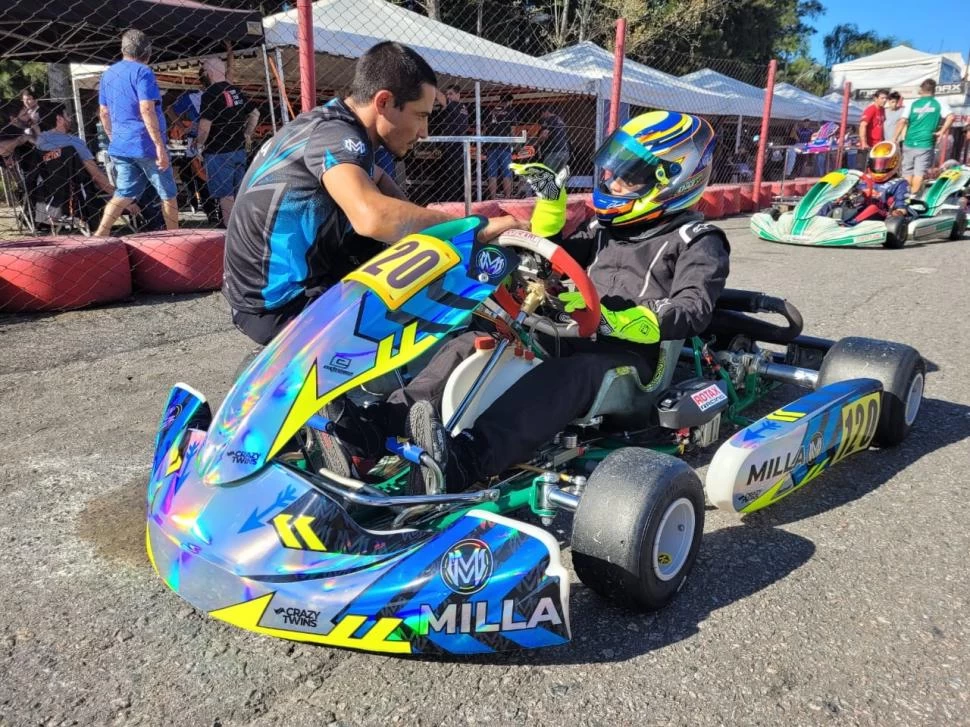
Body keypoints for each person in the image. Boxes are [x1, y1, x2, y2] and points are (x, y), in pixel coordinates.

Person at [223, 41, 524, 475]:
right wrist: (469, 231)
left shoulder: (330, 125)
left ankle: (328, 405)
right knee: (459, 321)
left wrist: (435, 235)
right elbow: (371, 215)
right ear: (384, 102)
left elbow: (382, 185)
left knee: (422, 260)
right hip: (287, 307)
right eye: (420, 115)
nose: (423, 131)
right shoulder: (337, 136)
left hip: (260, 295)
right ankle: (376, 426)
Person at [404, 111, 731, 494]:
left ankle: (466, 460)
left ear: (672, 178)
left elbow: (693, 309)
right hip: (570, 332)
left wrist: (621, 321)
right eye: (612, 170)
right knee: (473, 343)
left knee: (568, 374)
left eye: (628, 174)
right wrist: (550, 208)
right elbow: (555, 259)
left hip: (633, 360)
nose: (611, 180)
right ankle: (380, 424)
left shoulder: (699, 240)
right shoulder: (604, 229)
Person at [94, 28, 179, 236]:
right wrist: (159, 145)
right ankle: (176, 237)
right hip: (145, 143)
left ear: (123, 49)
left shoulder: (108, 74)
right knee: (168, 194)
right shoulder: (144, 72)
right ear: (147, 52)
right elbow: (146, 108)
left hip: (121, 144)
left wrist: (113, 137)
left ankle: (100, 235)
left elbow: (103, 112)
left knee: (124, 192)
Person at [195, 55, 259, 224]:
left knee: (225, 196)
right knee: (239, 194)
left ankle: (230, 233)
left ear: (209, 72)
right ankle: (244, 229)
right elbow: (255, 113)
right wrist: (246, 134)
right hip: (238, 149)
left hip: (218, 152)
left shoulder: (209, 94)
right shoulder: (235, 90)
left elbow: (205, 125)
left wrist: (199, 145)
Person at [35, 101, 115, 197]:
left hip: (49, 197)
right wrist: (120, 198)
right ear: (59, 119)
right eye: (67, 115)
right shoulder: (73, 143)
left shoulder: (39, 142)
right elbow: (97, 176)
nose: (70, 119)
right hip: (77, 197)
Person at [894, 78, 954, 195]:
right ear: (934, 90)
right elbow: (951, 117)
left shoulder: (912, 104)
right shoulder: (939, 103)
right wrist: (942, 131)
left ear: (921, 89)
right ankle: (912, 196)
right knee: (919, 173)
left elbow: (902, 121)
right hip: (925, 143)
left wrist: (894, 138)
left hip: (909, 142)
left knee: (907, 171)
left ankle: (904, 196)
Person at [431, 84, 468, 200]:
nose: (448, 96)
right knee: (453, 176)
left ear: (458, 95)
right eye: (447, 94)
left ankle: (451, 200)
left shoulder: (456, 105)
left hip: (454, 147)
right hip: (455, 146)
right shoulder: (462, 107)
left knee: (451, 177)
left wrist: (431, 86)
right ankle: (453, 200)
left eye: (451, 94)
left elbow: (442, 99)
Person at [485, 93, 517, 199]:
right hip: (504, 145)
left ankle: (493, 198)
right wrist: (514, 145)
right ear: (509, 101)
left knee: (492, 173)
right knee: (506, 173)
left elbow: (485, 128)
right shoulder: (511, 111)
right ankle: (507, 197)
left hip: (491, 145)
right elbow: (512, 131)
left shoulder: (491, 111)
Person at [536, 107, 570, 175]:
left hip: (553, 152)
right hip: (564, 151)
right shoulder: (559, 120)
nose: (541, 116)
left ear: (546, 112)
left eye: (541, 114)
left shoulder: (548, 120)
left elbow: (544, 135)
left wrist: (536, 141)